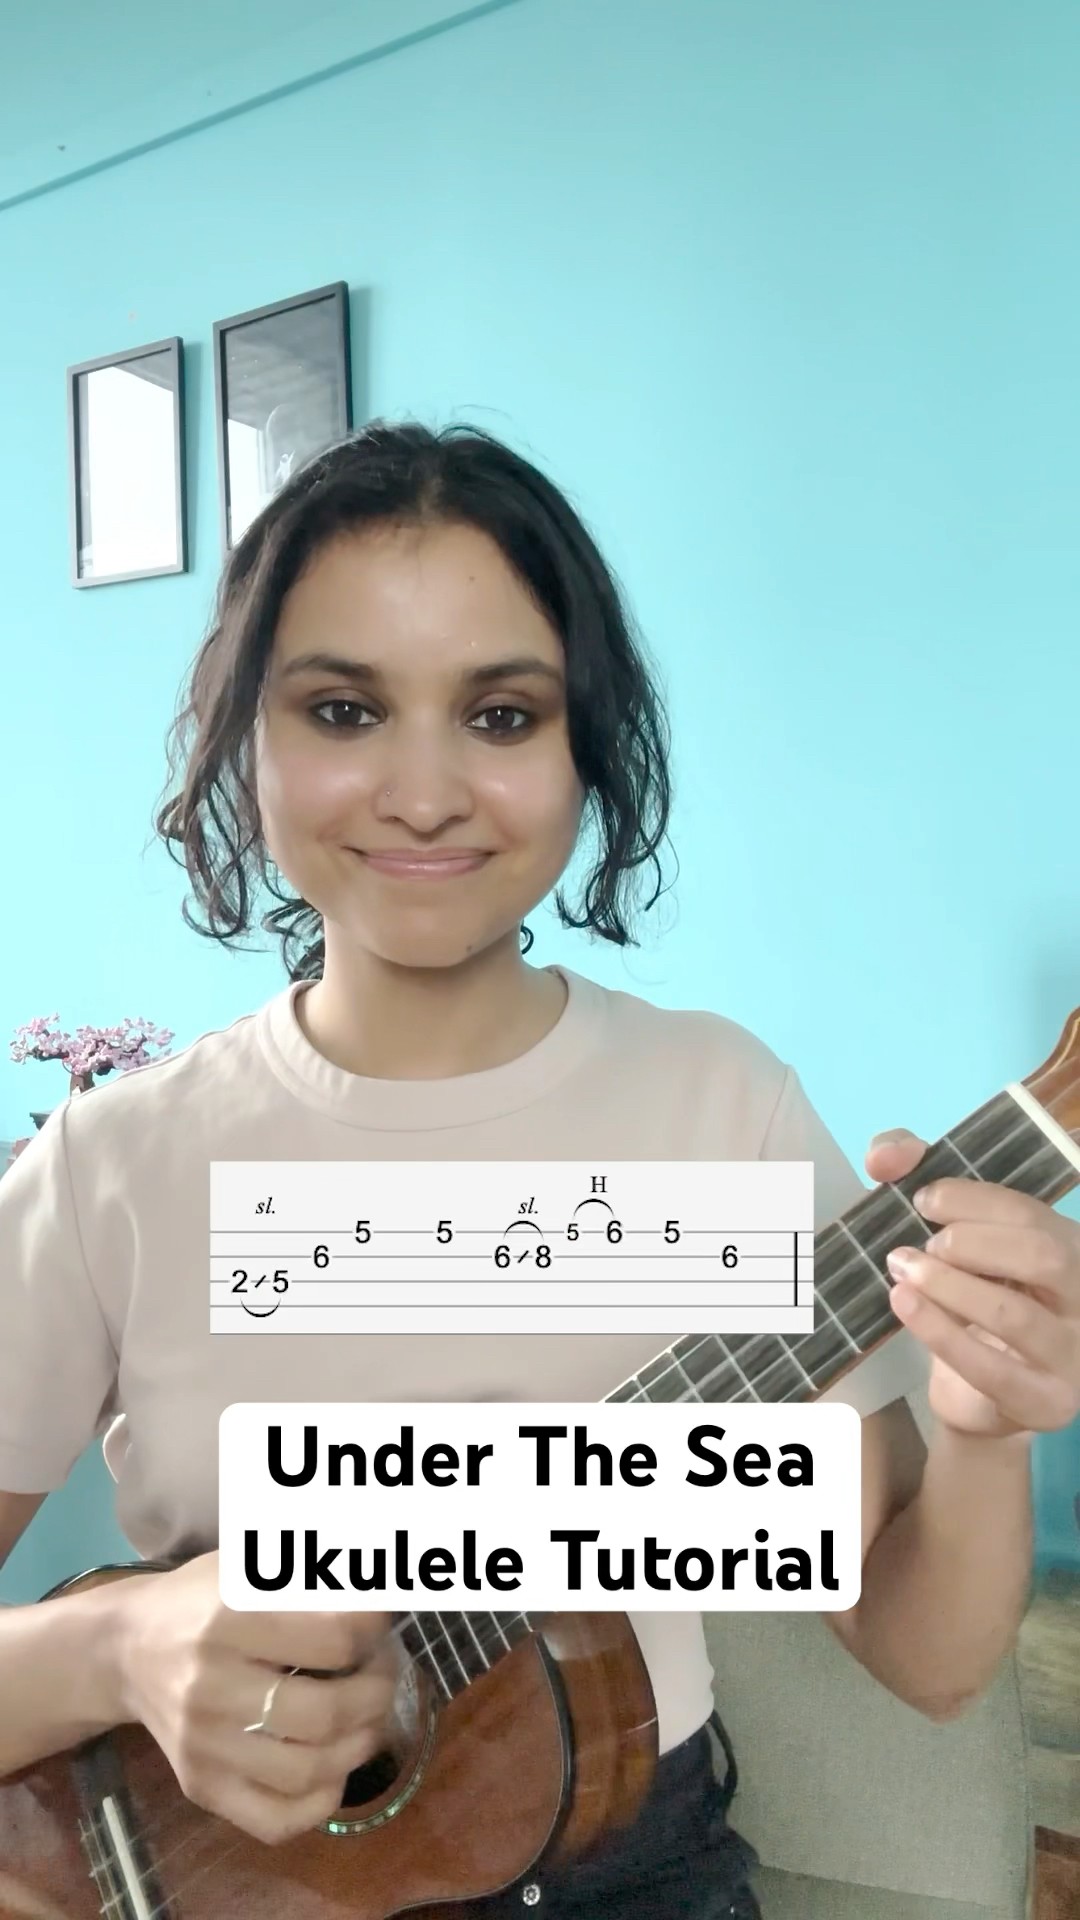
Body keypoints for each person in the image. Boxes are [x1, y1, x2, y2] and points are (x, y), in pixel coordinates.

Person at [1, 421, 1077, 1920]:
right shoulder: (108, 1168)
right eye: (343, 709)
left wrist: (982, 1431)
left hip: (633, 1870)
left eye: (502, 716)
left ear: (586, 750)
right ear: (247, 738)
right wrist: (112, 1652)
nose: (423, 792)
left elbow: (925, 1657)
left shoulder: (721, 1107)